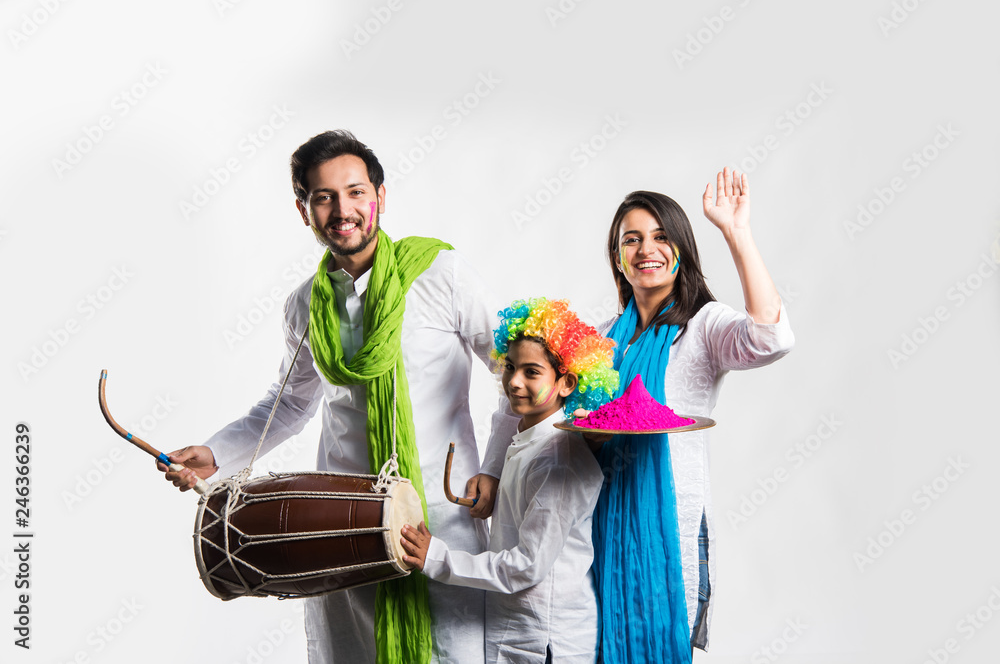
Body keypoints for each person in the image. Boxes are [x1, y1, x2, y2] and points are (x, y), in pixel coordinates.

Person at [158, 130, 518, 664]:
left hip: (441, 518)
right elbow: (290, 404)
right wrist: (214, 455)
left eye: (354, 192)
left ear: (380, 196)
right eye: (323, 197)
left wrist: (492, 466)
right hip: (341, 521)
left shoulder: (441, 274)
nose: (342, 210)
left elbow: (517, 374)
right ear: (303, 210)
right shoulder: (304, 304)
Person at [589, 169, 795, 662]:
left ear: (680, 249)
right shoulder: (601, 339)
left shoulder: (703, 326)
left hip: (670, 526)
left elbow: (773, 338)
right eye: (631, 240)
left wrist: (736, 233)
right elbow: (584, 429)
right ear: (618, 259)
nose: (646, 250)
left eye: (661, 237)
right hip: (601, 526)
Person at [400, 298, 619, 663]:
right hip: (518, 632)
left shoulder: (558, 459)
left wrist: (436, 557)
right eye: (511, 367)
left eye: (532, 372)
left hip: (547, 643)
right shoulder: (527, 440)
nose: (514, 382)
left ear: (567, 382)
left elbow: (527, 565)